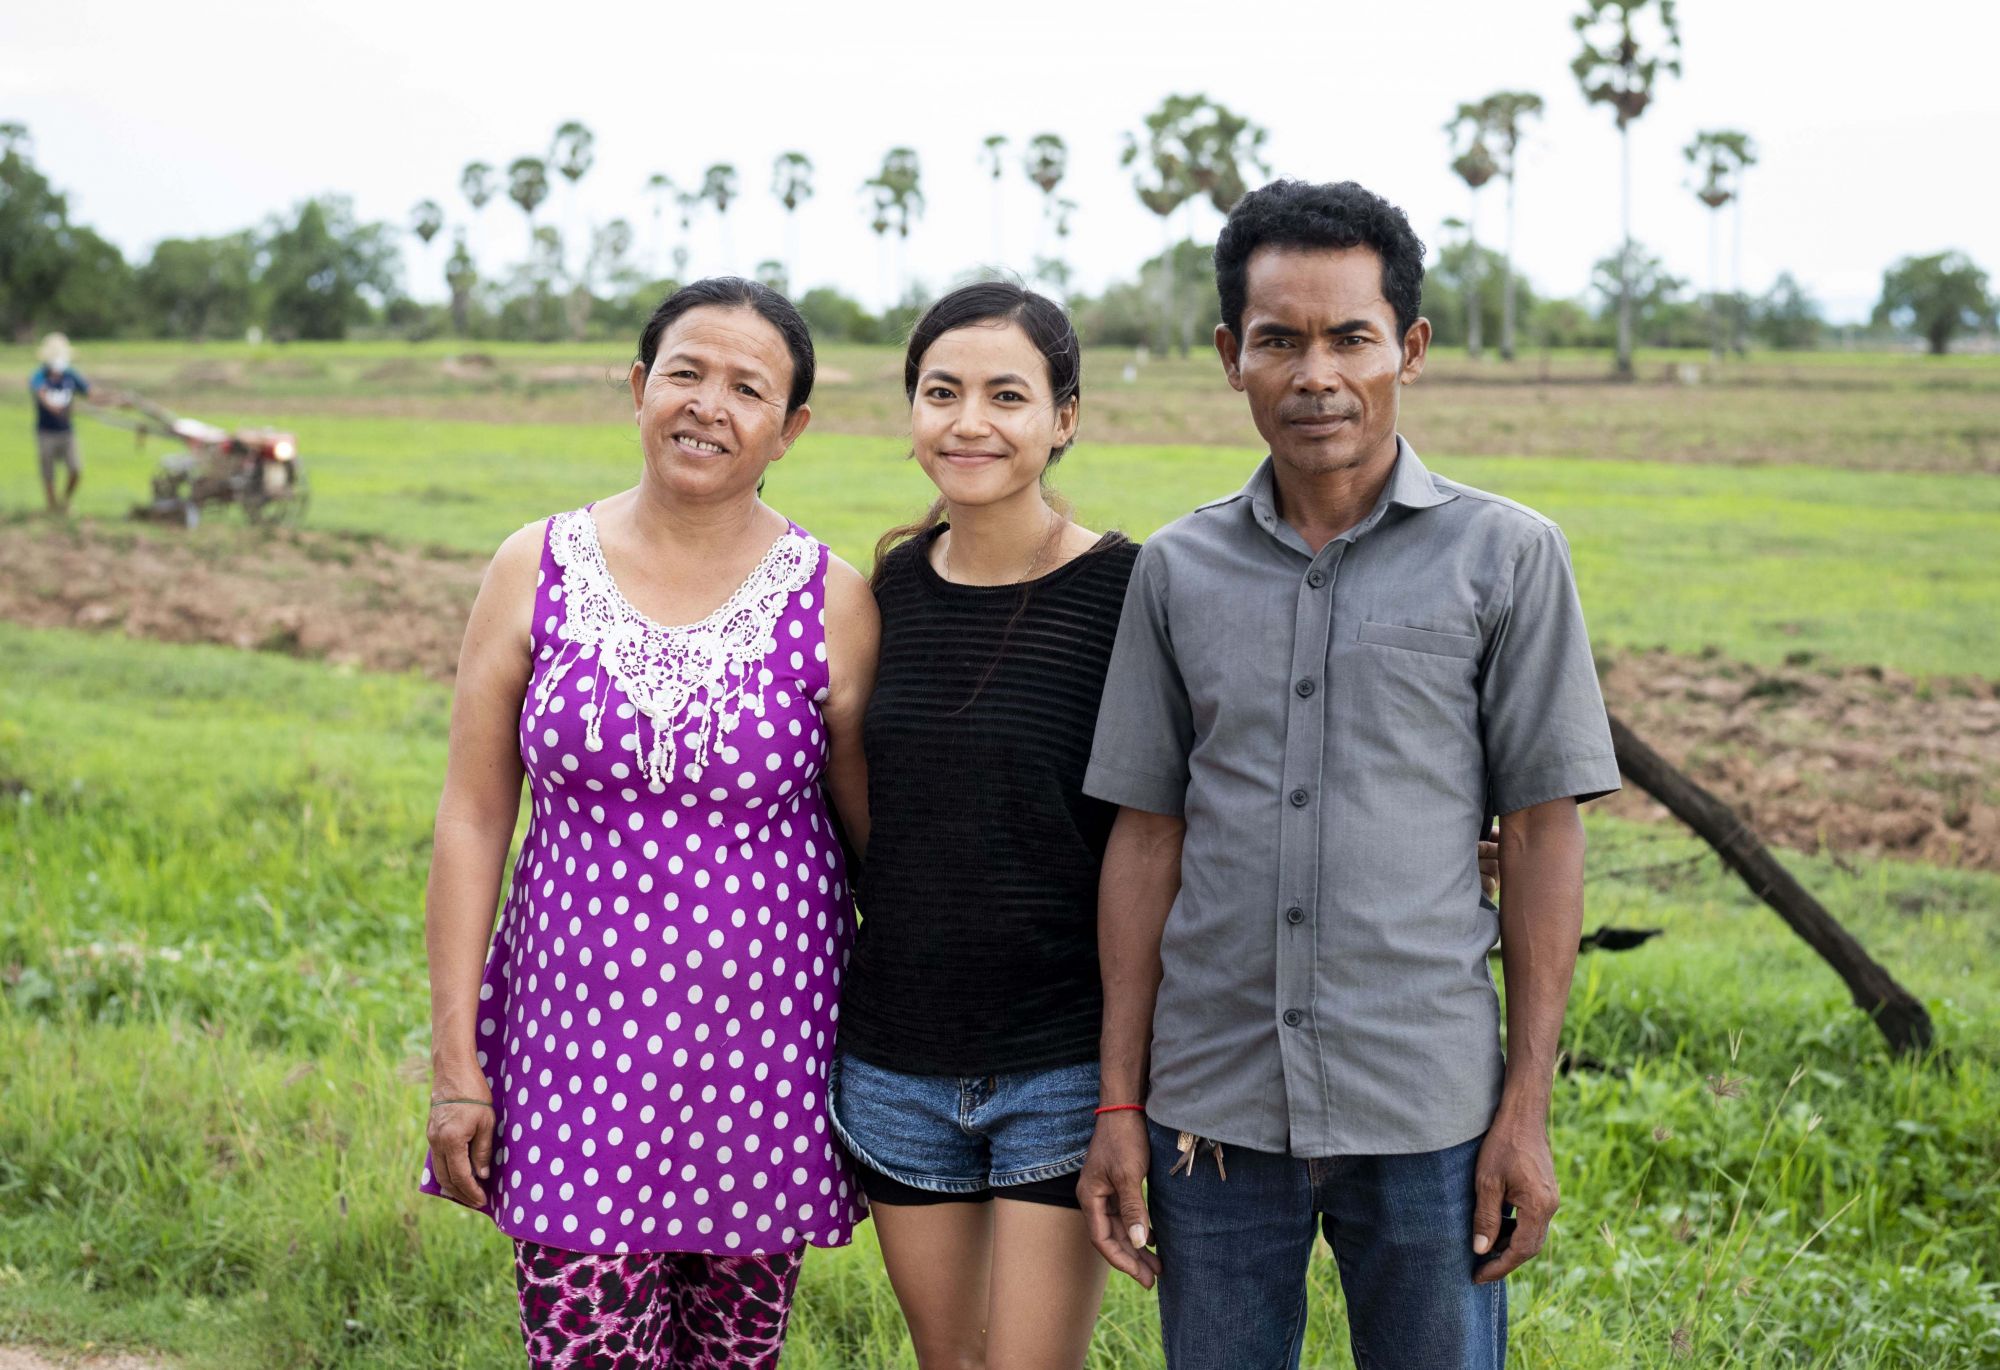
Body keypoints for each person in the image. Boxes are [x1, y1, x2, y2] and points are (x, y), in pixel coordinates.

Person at [1076, 179, 1621, 1370]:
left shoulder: (1507, 556)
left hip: (1426, 1102)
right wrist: (1120, 1100)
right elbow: (1145, 836)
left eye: (1348, 337)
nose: (1313, 373)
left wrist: (1522, 1110)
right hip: (1209, 1103)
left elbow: (1537, 833)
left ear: (1407, 348)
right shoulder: (1174, 570)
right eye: (1277, 339)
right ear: (1231, 356)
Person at [419, 277, 878, 1369]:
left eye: (746, 387)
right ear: (637, 388)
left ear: (790, 427)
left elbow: (878, 852)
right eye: (685, 372)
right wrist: (455, 1065)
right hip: (568, 1063)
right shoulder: (533, 566)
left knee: (736, 1357)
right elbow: (474, 816)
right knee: (580, 1349)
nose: (707, 404)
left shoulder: (834, 599)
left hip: (766, 1069)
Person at [829, 282, 1135, 1369]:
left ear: (1062, 417)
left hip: (1058, 1056)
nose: (968, 421)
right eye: (940, 391)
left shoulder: (1128, 591)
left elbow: (1176, 821)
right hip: (895, 1056)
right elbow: (864, 802)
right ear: (909, 410)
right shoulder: (887, 589)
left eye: (1006, 394)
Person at [30, 333, 89, 514]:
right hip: (46, 431)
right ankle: (52, 506)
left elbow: (89, 392)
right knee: (48, 472)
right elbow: (39, 391)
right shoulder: (40, 375)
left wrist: (115, 400)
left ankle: (64, 502)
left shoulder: (70, 375)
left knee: (75, 468)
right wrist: (51, 405)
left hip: (66, 431)